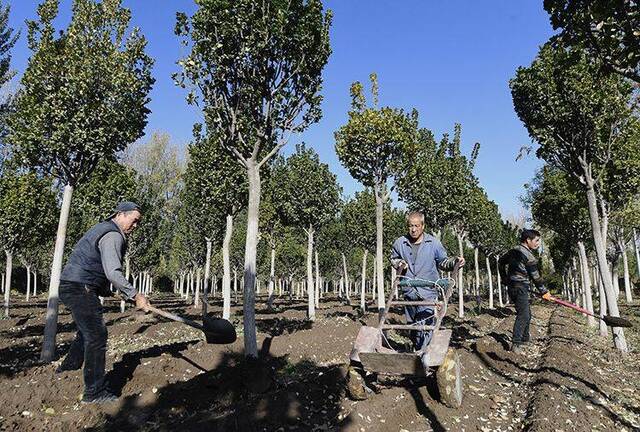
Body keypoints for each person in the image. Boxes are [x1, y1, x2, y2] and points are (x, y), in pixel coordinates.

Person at [56, 201, 150, 403]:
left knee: (86, 331)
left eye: (138, 223)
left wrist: (104, 289)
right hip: (79, 287)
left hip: (73, 284)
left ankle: (68, 368)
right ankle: (94, 392)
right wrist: (136, 295)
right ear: (121, 214)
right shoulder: (113, 235)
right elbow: (113, 272)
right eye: (135, 221)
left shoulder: (102, 229)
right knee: (97, 334)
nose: (136, 226)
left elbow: (94, 265)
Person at [390, 211, 465, 351]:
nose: (413, 229)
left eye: (416, 226)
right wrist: (399, 263)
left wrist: (455, 261)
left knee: (425, 326)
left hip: (428, 291)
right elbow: (393, 258)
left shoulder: (434, 243)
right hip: (409, 291)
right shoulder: (400, 242)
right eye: (410, 226)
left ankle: (423, 356)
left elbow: (443, 262)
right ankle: (417, 349)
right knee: (412, 325)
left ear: (423, 226)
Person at [498, 228, 551, 354]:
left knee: (526, 313)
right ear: (528, 240)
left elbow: (501, 262)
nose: (538, 244)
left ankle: (525, 339)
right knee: (524, 315)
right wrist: (544, 291)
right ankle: (516, 344)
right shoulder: (529, 256)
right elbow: (536, 277)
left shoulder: (512, 251)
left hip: (513, 287)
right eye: (536, 241)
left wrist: (504, 277)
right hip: (520, 287)